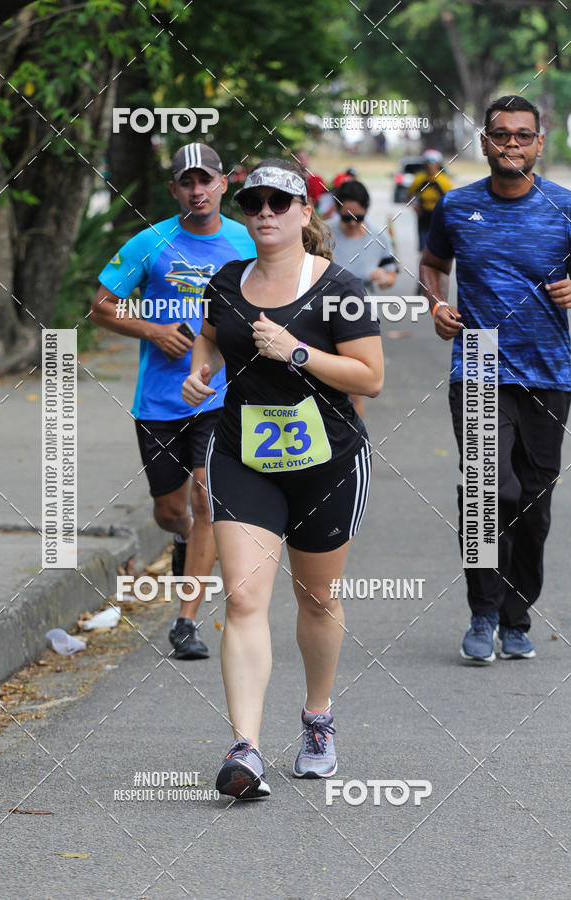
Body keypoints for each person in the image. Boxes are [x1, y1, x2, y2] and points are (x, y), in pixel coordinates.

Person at [182, 158, 384, 798]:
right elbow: (212, 336)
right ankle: (245, 749)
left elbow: (371, 379)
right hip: (244, 454)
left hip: (326, 463)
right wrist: (201, 370)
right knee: (242, 599)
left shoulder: (341, 286)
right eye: (254, 203)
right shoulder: (226, 280)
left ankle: (318, 717)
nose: (264, 213)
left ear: (304, 212)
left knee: (318, 599)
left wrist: (296, 351)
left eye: (278, 202)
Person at [90, 142, 256, 660]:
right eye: (187, 182)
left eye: (206, 180)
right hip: (159, 401)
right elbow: (100, 307)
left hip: (219, 396)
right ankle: (185, 541)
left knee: (207, 499)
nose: (197, 190)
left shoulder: (247, 241)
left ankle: (186, 622)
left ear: (223, 183)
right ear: (175, 190)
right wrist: (154, 331)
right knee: (169, 510)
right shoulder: (150, 242)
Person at [420, 95, 571, 663]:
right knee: (489, 492)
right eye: (500, 134)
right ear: (483, 142)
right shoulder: (457, 208)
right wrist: (436, 306)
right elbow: (434, 266)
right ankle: (483, 613)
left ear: (539, 143)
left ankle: (517, 617)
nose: (511, 143)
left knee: (534, 501)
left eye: (522, 135)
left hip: (551, 367)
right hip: (479, 359)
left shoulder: (565, 206)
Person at [329, 179, 398, 418]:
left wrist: (384, 277)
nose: (350, 224)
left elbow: (391, 274)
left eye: (357, 218)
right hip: (323, 314)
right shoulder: (323, 232)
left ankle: (354, 441)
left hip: (359, 318)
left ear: (366, 211)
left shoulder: (378, 235)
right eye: (345, 217)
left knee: (354, 388)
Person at [408, 148, 453, 250]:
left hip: (438, 216)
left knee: (439, 247)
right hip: (423, 216)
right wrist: (415, 207)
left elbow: (451, 201)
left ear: (438, 163)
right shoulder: (419, 179)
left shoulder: (445, 181)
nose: (430, 165)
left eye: (433, 162)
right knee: (423, 248)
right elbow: (409, 195)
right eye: (428, 162)